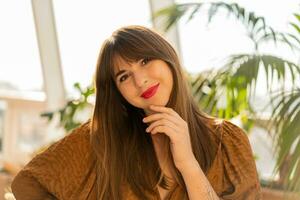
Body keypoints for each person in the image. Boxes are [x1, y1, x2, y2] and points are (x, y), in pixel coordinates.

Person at [11, 25, 261, 200]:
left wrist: (188, 164)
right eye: (124, 76)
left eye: (144, 61)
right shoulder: (102, 139)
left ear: (167, 58)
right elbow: (28, 184)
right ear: (117, 90)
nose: (140, 80)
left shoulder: (227, 141)